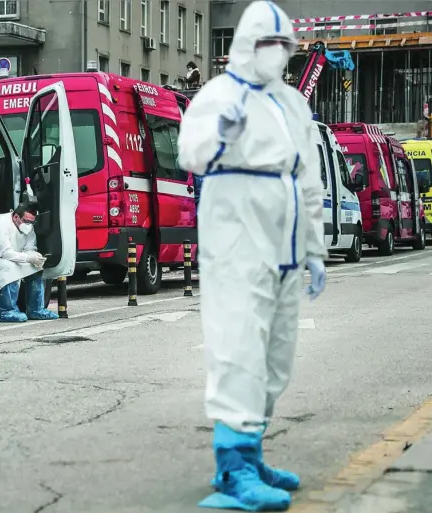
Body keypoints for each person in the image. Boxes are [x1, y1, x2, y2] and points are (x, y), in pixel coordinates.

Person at [177, 1, 327, 511]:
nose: (280, 55)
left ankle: (252, 451)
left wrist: (314, 248)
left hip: (282, 244)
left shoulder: (292, 104)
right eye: (271, 45)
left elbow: (308, 180)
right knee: (238, 348)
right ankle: (232, 467)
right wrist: (225, 132)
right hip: (237, 239)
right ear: (247, 44)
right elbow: (191, 153)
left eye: (286, 47)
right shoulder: (219, 95)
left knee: (275, 357)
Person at [0, 201, 59, 322]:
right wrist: (28, 258)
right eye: (26, 221)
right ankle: (6, 311)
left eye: (31, 222)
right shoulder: (0, 224)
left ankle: (36, 309)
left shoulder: (28, 227)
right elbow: (5, 253)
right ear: (15, 216)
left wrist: (35, 256)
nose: (28, 224)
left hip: (16, 256)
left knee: (36, 268)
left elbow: (30, 248)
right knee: (11, 268)